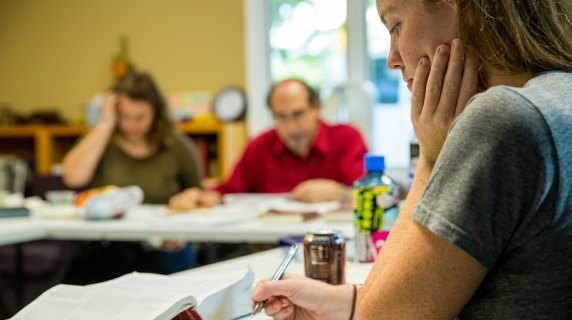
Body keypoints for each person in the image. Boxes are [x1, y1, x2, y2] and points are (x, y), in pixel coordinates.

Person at [251, 0, 572, 318]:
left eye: (395, 26)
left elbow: (380, 317)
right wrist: (345, 301)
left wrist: (431, 159)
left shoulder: (503, 118)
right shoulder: (557, 96)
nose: (392, 59)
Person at [62, 71, 202, 283]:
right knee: (86, 270)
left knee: (170, 267)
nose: (132, 124)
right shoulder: (103, 142)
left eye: (140, 117)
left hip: (165, 245)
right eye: (125, 116)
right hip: (111, 245)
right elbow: (73, 177)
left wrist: (182, 230)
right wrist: (105, 125)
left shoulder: (177, 145)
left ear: (155, 113)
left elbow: (198, 195)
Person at [169, 78, 368, 208]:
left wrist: (338, 193)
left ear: (316, 108)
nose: (291, 128)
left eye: (298, 115)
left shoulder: (347, 138)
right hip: (266, 247)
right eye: (280, 117)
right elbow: (229, 191)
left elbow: (372, 196)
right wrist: (202, 196)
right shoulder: (260, 145)